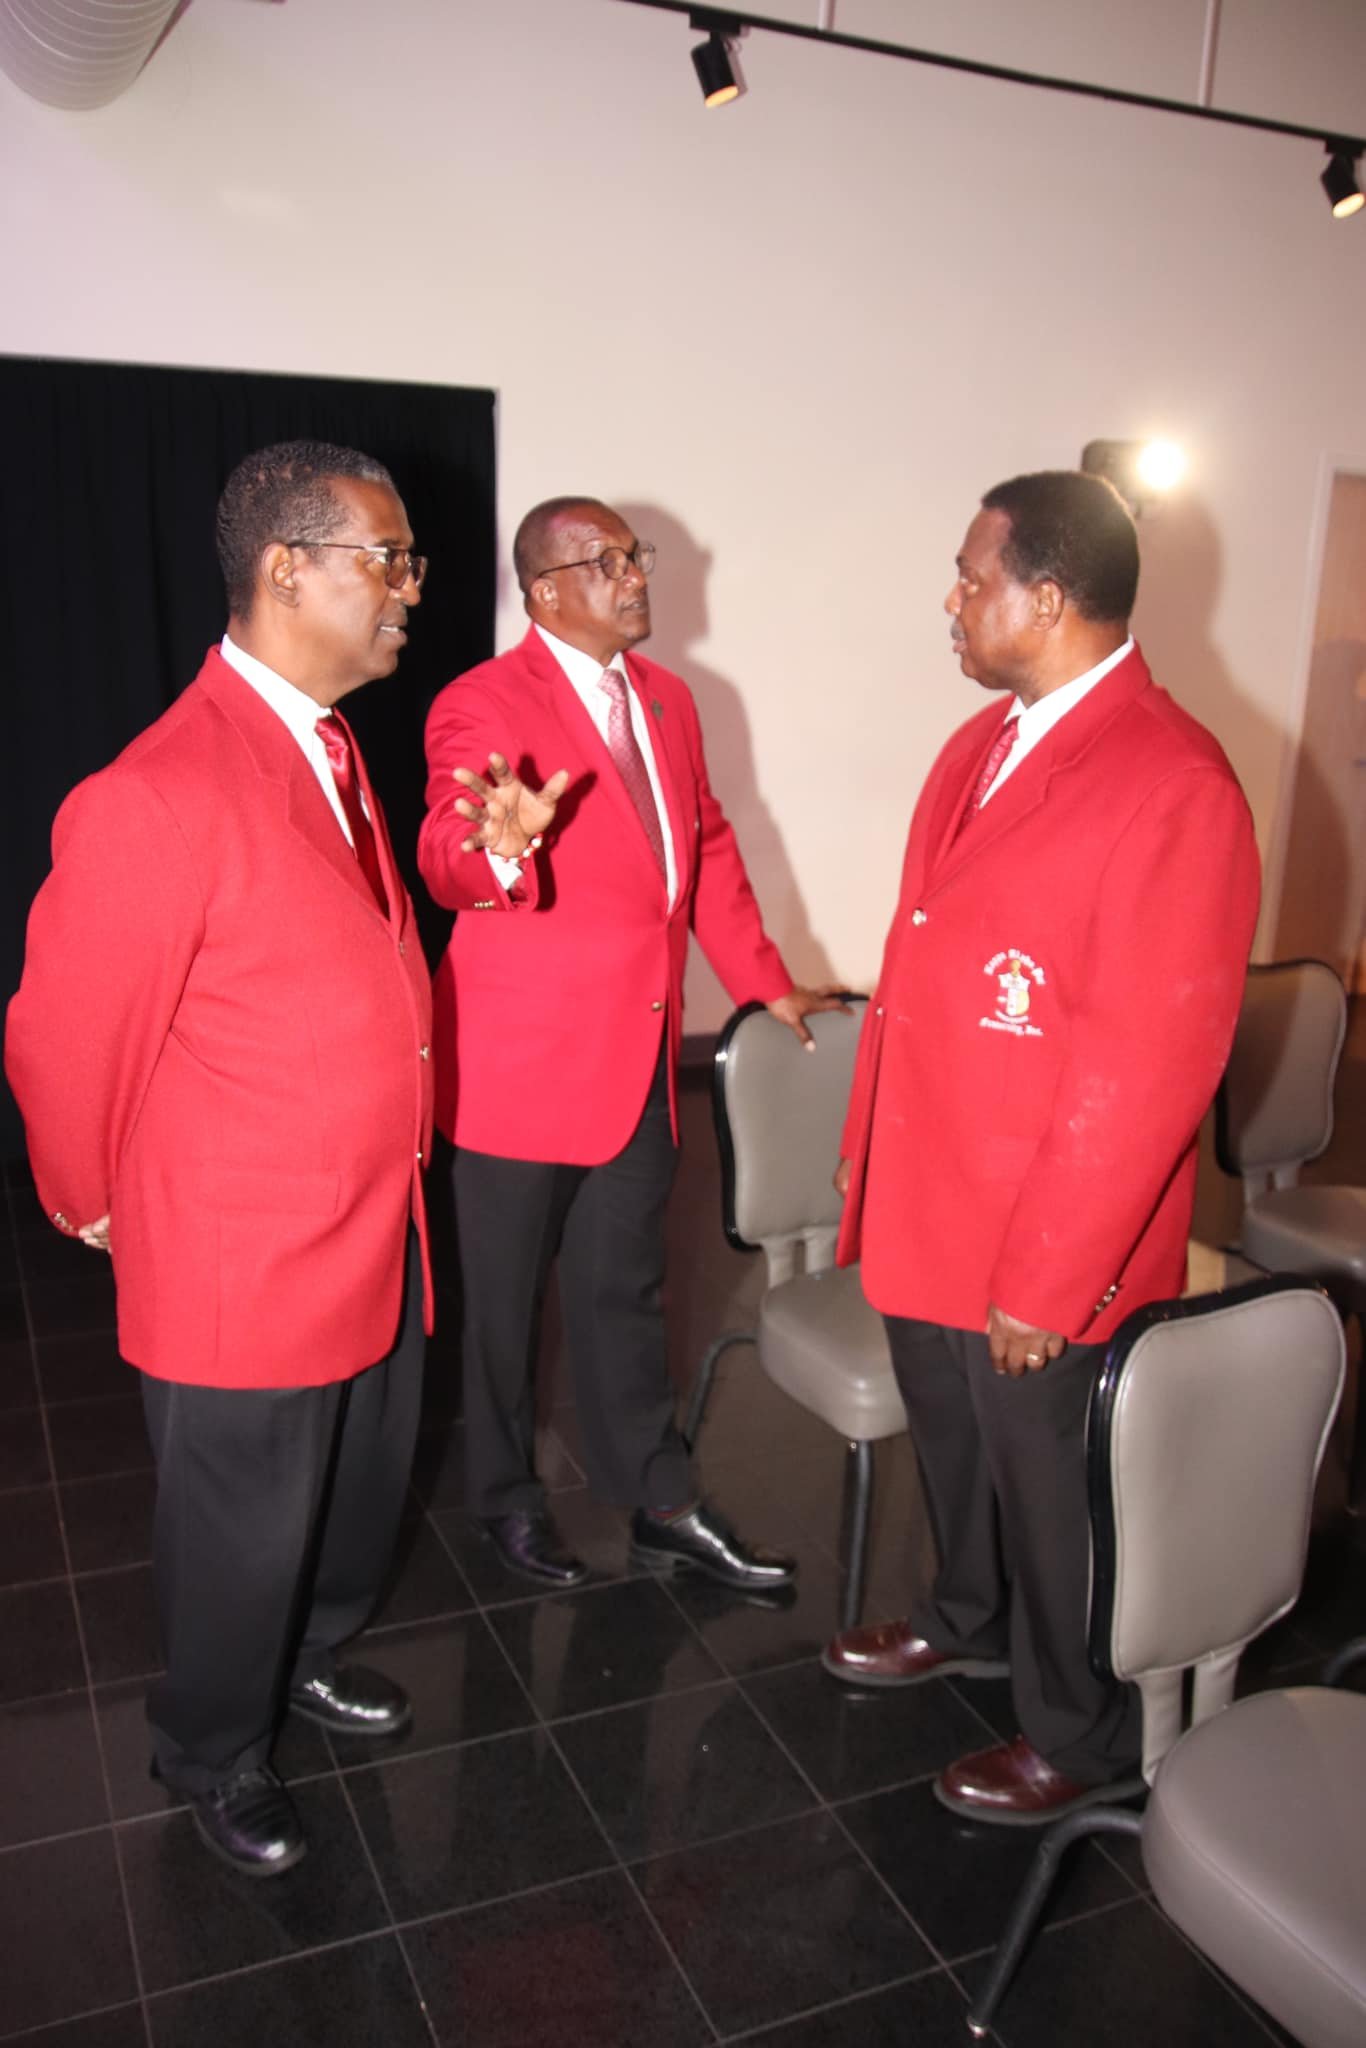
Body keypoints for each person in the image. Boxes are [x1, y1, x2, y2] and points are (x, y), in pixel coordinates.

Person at [6, 440, 435, 1877]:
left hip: (374, 1220)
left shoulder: (326, 747)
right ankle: (211, 1743)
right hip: (246, 1250)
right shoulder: (159, 789)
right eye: (387, 560)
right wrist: (91, 1201)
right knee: (239, 1529)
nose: (408, 591)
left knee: (352, 1499)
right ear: (285, 571)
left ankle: (303, 1657)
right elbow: (63, 1036)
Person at [822, 470, 1260, 1824]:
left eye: (973, 577)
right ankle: (965, 1612)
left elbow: (1150, 1064)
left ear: (1050, 597)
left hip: (1042, 1231)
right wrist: (869, 1149)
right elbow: (917, 963)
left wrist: (1049, 1275)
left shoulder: (1172, 781)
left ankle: (1079, 1730)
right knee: (954, 1446)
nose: (952, 600)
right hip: (932, 1192)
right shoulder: (982, 743)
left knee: (1050, 1489)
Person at [418, 496, 842, 1589]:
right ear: (544, 590)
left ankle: (658, 1497)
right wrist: (494, 850)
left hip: (638, 1063)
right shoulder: (482, 700)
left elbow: (704, 840)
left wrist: (762, 981)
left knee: (626, 1294)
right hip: (515, 1071)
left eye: (634, 555)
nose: (636, 575)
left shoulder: (665, 698)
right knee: (503, 1313)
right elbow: (449, 845)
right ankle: (504, 1497)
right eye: (605, 562)